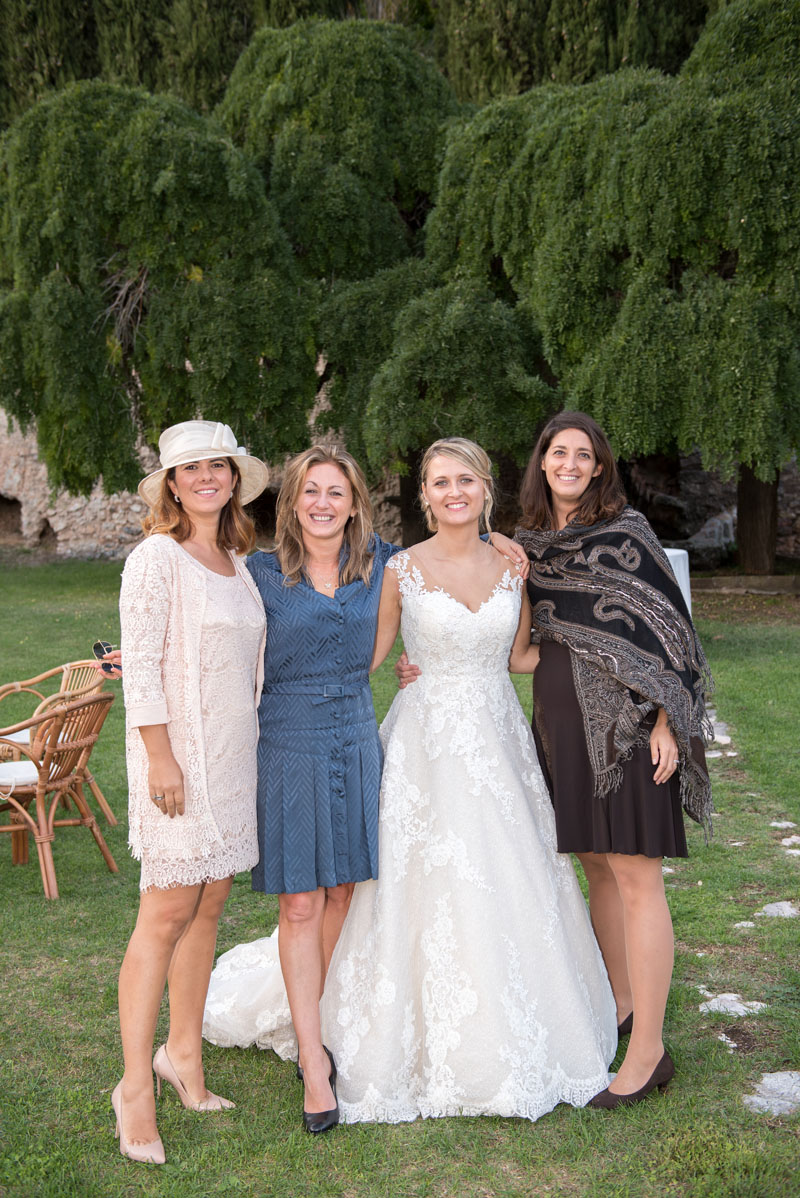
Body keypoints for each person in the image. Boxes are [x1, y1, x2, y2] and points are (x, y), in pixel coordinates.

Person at [204, 437, 617, 1124]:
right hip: (418, 742)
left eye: (465, 479)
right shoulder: (398, 568)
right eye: (438, 481)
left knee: (506, 876)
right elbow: (362, 652)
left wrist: (598, 650)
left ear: (486, 488)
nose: (452, 491)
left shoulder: (514, 565)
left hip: (494, 743)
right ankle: (332, 1034)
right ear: (421, 495)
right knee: (390, 881)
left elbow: (518, 655)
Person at [513, 411, 713, 1108]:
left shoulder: (626, 533)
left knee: (635, 875)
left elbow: (671, 633)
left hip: (629, 730)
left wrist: (667, 721)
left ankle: (649, 1050)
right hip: (563, 727)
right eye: (557, 452)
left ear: (599, 467)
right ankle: (621, 1007)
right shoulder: (529, 545)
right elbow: (521, 640)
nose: (568, 463)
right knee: (596, 863)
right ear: (541, 462)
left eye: (582, 455)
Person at [113, 420, 269, 1164]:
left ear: (234, 479)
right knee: (165, 911)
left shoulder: (236, 561)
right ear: (172, 484)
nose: (207, 477)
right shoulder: (155, 559)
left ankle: (184, 1058)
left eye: (219, 466)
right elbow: (139, 667)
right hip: (178, 764)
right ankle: (133, 1089)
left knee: (210, 904)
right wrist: (159, 758)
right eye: (191, 469)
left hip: (234, 764)